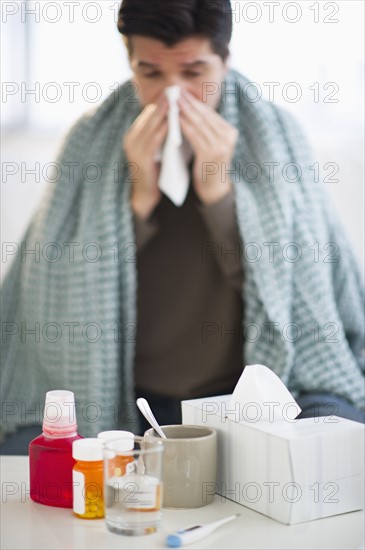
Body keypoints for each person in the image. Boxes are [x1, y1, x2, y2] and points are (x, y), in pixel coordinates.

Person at [1, 0, 364, 454]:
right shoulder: (88, 142)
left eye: (194, 73)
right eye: (151, 74)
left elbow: (300, 293)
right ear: (130, 63)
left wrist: (219, 197)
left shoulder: (278, 139)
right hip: (131, 399)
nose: (173, 94)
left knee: (338, 438)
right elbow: (52, 295)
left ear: (225, 60)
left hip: (249, 395)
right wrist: (139, 202)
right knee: (25, 451)